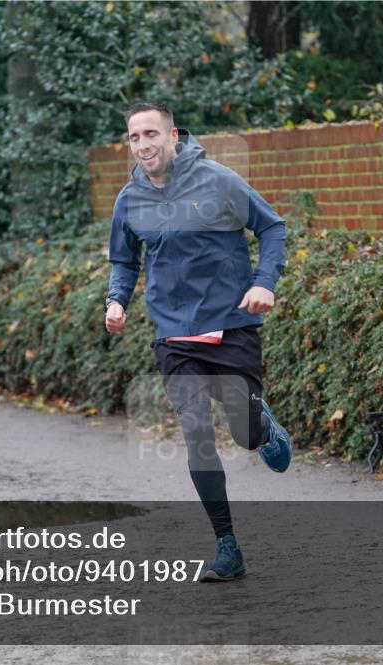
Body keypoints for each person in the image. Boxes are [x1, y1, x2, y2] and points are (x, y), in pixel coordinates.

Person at [104, 102, 291, 582]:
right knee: (196, 432)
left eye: (150, 134)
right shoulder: (130, 199)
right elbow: (124, 261)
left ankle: (263, 429)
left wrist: (264, 282)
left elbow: (271, 227)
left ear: (171, 136)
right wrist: (117, 300)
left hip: (231, 325)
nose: (143, 145)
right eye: (134, 137)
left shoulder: (218, 180)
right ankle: (227, 545)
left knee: (243, 432)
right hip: (174, 336)